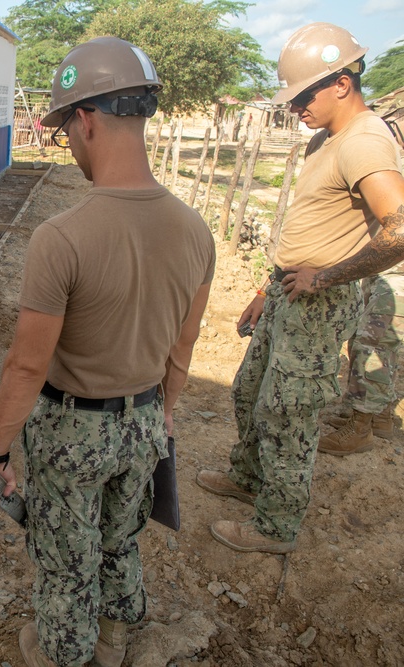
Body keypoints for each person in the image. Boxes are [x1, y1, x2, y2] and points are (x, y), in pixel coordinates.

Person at [0, 37, 215, 667]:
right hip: (143, 422)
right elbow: (182, 348)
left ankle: (64, 653)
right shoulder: (195, 230)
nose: (67, 144)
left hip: (71, 430)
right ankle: (112, 639)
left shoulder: (62, 238)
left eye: (65, 128)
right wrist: (162, 414)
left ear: (86, 118)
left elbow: (26, 366)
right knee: (118, 539)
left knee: (64, 553)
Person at [197, 22, 404, 554]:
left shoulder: (364, 140)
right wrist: (267, 291)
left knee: (289, 411)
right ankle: (248, 479)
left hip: (319, 299)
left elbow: (400, 227)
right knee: (249, 392)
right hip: (288, 292)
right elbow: (310, 222)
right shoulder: (326, 138)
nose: (295, 109)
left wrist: (328, 276)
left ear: (341, 83)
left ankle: (277, 526)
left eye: (302, 95)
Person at [320, 269, 403, 454]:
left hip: (398, 275)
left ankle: (360, 430)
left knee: (374, 347)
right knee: (367, 337)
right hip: (380, 269)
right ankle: (379, 417)